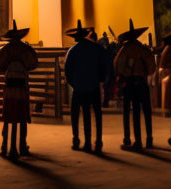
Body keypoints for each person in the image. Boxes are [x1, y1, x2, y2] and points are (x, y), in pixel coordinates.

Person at [0, 19, 38, 159]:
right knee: (22, 115)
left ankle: (5, 146)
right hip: (22, 85)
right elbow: (33, 63)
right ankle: (22, 146)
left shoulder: (5, 50)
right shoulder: (26, 49)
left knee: (8, 116)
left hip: (9, 86)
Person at [64, 20, 108, 154]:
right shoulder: (96, 49)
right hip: (93, 86)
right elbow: (103, 67)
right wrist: (99, 80)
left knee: (78, 114)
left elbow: (68, 72)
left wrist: (75, 83)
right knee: (97, 114)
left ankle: (77, 140)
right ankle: (98, 141)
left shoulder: (72, 51)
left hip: (79, 88)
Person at [114, 19, 155, 151]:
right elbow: (152, 67)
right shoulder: (143, 49)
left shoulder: (123, 50)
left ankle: (130, 139)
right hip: (142, 82)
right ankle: (149, 139)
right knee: (146, 111)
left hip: (129, 83)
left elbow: (116, 65)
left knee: (130, 112)